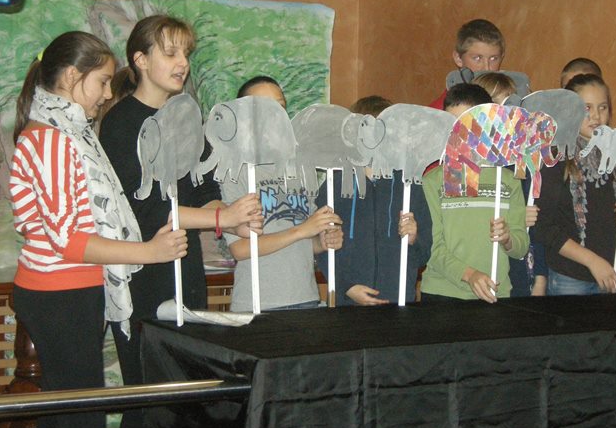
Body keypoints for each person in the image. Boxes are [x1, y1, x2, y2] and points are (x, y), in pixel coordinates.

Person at [9, 31, 188, 428]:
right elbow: (70, 242)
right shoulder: (53, 139)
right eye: (103, 82)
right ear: (73, 76)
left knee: (64, 415)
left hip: (66, 289)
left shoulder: (62, 132)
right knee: (82, 420)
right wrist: (148, 251)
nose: (108, 94)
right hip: (60, 291)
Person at [99, 15, 263, 428]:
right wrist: (220, 220)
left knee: (183, 407)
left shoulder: (187, 117)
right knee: (146, 405)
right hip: (143, 278)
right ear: (140, 59)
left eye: (186, 53)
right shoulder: (121, 123)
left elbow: (204, 190)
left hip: (185, 272)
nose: (182, 63)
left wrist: (231, 213)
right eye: (171, 53)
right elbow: (148, 210)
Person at [224, 76, 343, 311]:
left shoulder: (298, 166)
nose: (276, 115)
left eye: (280, 106)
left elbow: (305, 240)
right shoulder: (234, 171)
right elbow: (240, 249)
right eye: (265, 108)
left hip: (305, 297)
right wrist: (302, 231)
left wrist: (322, 241)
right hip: (258, 304)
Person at [315, 95, 432, 306]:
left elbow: (423, 253)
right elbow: (321, 247)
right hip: (348, 301)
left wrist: (414, 239)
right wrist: (346, 286)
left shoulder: (408, 184)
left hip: (399, 299)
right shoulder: (335, 184)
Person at [533, 74, 616, 295]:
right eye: (587, 108)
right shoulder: (556, 157)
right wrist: (592, 261)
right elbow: (544, 227)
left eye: (603, 107)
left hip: (613, 273)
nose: (596, 116)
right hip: (570, 277)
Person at [420, 83, 530, 303]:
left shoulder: (507, 180)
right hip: (443, 293)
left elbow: (520, 248)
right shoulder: (433, 181)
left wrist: (508, 239)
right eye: (450, 124)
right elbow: (431, 247)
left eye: (467, 123)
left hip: (495, 291)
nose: (457, 133)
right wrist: (469, 275)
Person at [428, 19, 505, 109]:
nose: (487, 68)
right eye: (477, 58)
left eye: (493, 58)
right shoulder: (442, 111)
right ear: (458, 58)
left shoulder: (510, 104)